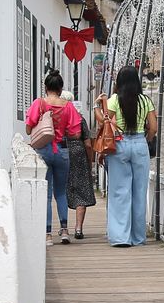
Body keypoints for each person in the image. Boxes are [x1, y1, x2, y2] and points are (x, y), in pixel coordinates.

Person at [98, 66, 157, 247]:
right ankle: (138, 237)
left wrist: (97, 107)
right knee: (139, 192)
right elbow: (153, 127)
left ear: (119, 82)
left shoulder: (114, 100)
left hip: (120, 144)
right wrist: (146, 140)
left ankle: (121, 237)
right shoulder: (145, 100)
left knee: (120, 191)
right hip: (140, 144)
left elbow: (105, 123)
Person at [26, 71, 85, 244]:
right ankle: (65, 230)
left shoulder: (39, 103)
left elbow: (28, 129)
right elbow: (76, 134)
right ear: (60, 89)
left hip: (43, 151)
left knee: (46, 193)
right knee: (61, 192)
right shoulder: (68, 106)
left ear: (45, 87)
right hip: (62, 151)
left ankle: (47, 234)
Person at [66, 83, 98, 239]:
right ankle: (78, 228)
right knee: (81, 191)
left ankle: (63, 228)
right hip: (79, 154)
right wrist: (90, 161)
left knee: (61, 192)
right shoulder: (79, 118)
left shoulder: (55, 118)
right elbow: (88, 144)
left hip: (62, 152)